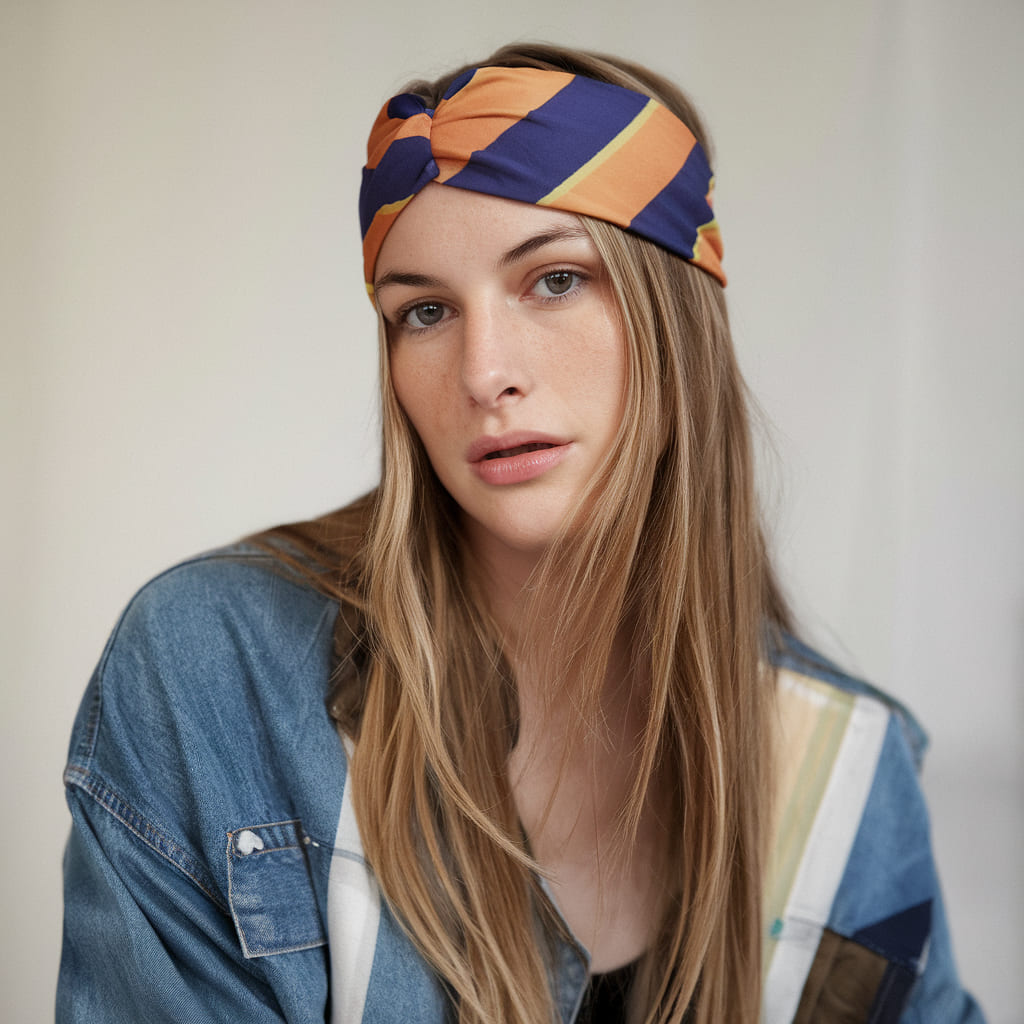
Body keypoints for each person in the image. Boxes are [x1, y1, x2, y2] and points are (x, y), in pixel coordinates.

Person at [58, 43, 984, 1024]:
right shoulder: (211, 671)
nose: (482, 371)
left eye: (552, 281)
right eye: (423, 310)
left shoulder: (846, 777)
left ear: (674, 317)